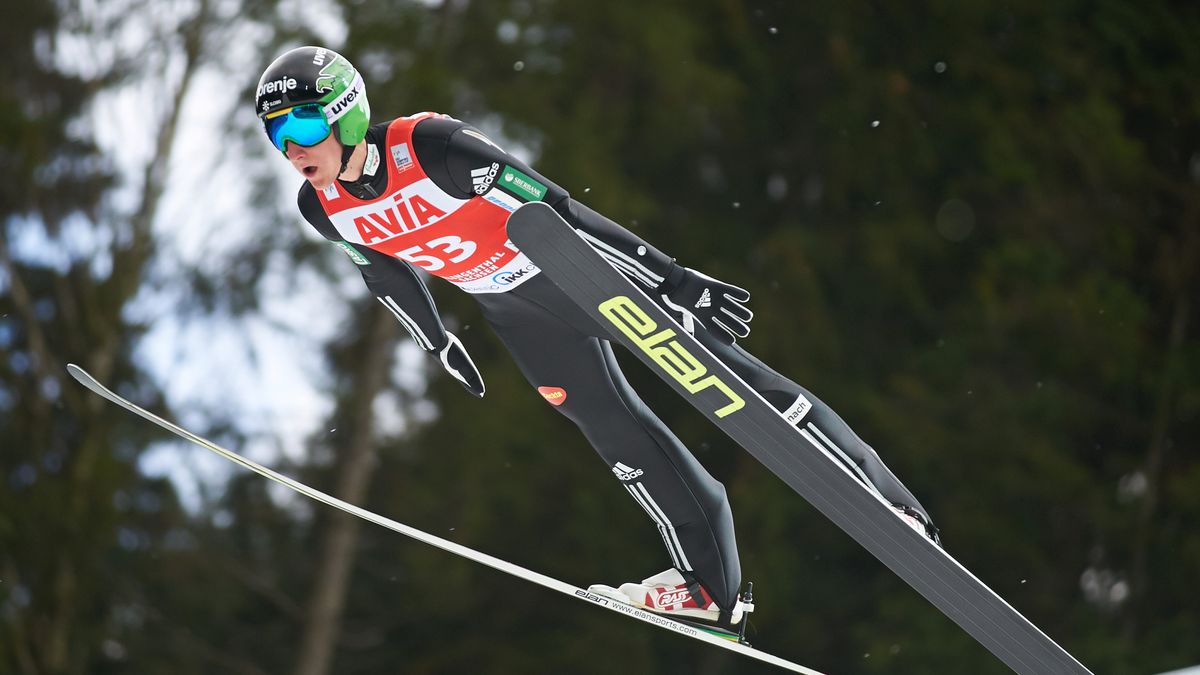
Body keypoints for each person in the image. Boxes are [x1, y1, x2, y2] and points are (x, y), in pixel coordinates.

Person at [255, 46, 939, 629]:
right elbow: (386, 276)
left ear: (346, 111)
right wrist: (435, 340)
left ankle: (892, 505)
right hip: (514, 312)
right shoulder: (322, 208)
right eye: (277, 134)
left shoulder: (432, 147)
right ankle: (711, 590)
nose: (294, 149)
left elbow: (557, 205)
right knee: (613, 429)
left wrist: (671, 278)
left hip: (574, 275)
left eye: (305, 124)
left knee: (718, 377)